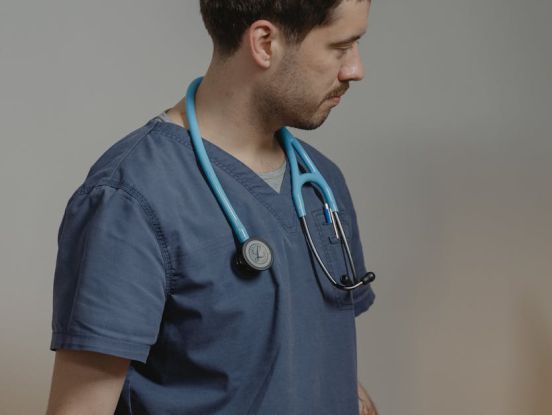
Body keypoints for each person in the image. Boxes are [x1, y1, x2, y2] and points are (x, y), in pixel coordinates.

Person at [45, 1, 378, 413]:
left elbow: (316, 363)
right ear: (264, 42)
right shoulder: (131, 199)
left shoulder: (322, 184)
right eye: (341, 47)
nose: (355, 69)